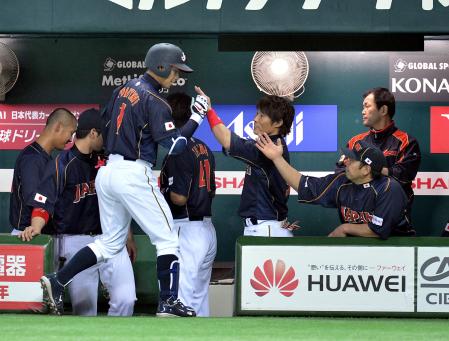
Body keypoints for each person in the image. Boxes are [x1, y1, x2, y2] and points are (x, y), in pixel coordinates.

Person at [39, 42, 209, 317]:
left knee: (110, 243)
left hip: (108, 172)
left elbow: (106, 124)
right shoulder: (155, 100)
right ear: (161, 65)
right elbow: (176, 146)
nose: (179, 76)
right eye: (176, 69)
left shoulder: (123, 88)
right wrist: (197, 116)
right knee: (167, 240)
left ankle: (58, 281)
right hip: (133, 173)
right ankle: (168, 302)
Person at [19, 109, 136, 316]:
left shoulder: (108, 161)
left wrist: (128, 236)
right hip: (76, 241)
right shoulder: (62, 163)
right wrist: (35, 226)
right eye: (103, 134)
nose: (107, 139)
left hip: (110, 238)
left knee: (126, 299)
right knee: (85, 310)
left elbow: (120, 202)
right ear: (93, 133)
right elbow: (43, 202)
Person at [257, 136, 411, 239]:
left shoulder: (389, 188)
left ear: (366, 169)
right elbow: (304, 185)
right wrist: (277, 158)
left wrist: (344, 228)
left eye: (352, 160)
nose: (346, 162)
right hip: (359, 249)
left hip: (399, 251)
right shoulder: (342, 181)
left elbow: (378, 230)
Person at [197, 87, 297, 237]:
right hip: (270, 226)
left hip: (266, 228)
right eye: (257, 113)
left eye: (261, 116)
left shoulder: (268, 150)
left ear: (277, 122)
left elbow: (226, 139)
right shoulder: (275, 144)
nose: (255, 119)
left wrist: (209, 110)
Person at [160, 92, 217, 317]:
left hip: (186, 229)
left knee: (180, 301)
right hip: (206, 229)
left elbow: (179, 198)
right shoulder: (203, 147)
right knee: (198, 299)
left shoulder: (178, 150)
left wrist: (158, 191)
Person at [337, 87, 420, 235]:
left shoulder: (406, 142)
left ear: (383, 110)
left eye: (367, 106)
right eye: (363, 107)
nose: (363, 111)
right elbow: (340, 174)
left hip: (394, 232)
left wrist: (370, 168)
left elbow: (403, 176)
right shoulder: (355, 142)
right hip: (356, 227)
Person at [9, 108, 77, 236]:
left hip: (36, 234)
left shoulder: (43, 157)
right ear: (58, 127)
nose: (70, 139)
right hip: (27, 235)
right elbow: (36, 200)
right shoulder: (32, 158)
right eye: (71, 132)